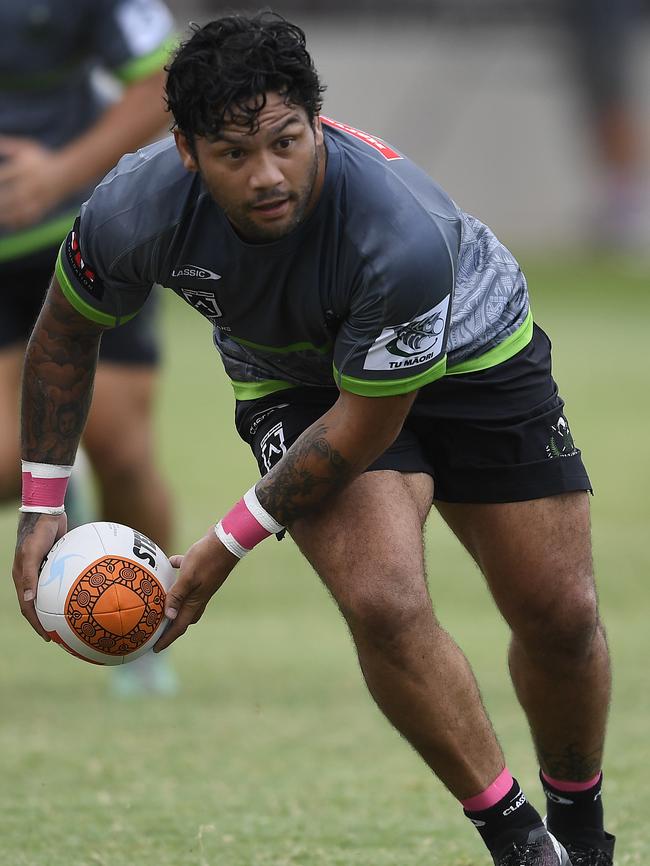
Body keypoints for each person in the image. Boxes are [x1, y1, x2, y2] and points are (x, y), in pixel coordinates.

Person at [12, 12, 614, 865]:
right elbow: (66, 332)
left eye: (287, 142)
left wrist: (222, 549)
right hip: (295, 377)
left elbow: (366, 427)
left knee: (560, 611)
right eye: (233, 154)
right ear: (185, 150)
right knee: (381, 597)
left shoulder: (399, 234)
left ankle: (583, 832)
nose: (267, 176)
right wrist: (41, 507)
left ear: (315, 119)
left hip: (477, 353)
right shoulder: (133, 208)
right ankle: (522, 843)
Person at [0, 0, 177, 693]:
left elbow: (161, 79)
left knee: (122, 446)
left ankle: (145, 631)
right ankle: (51, 478)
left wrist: (59, 172)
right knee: (10, 458)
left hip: (81, 238)